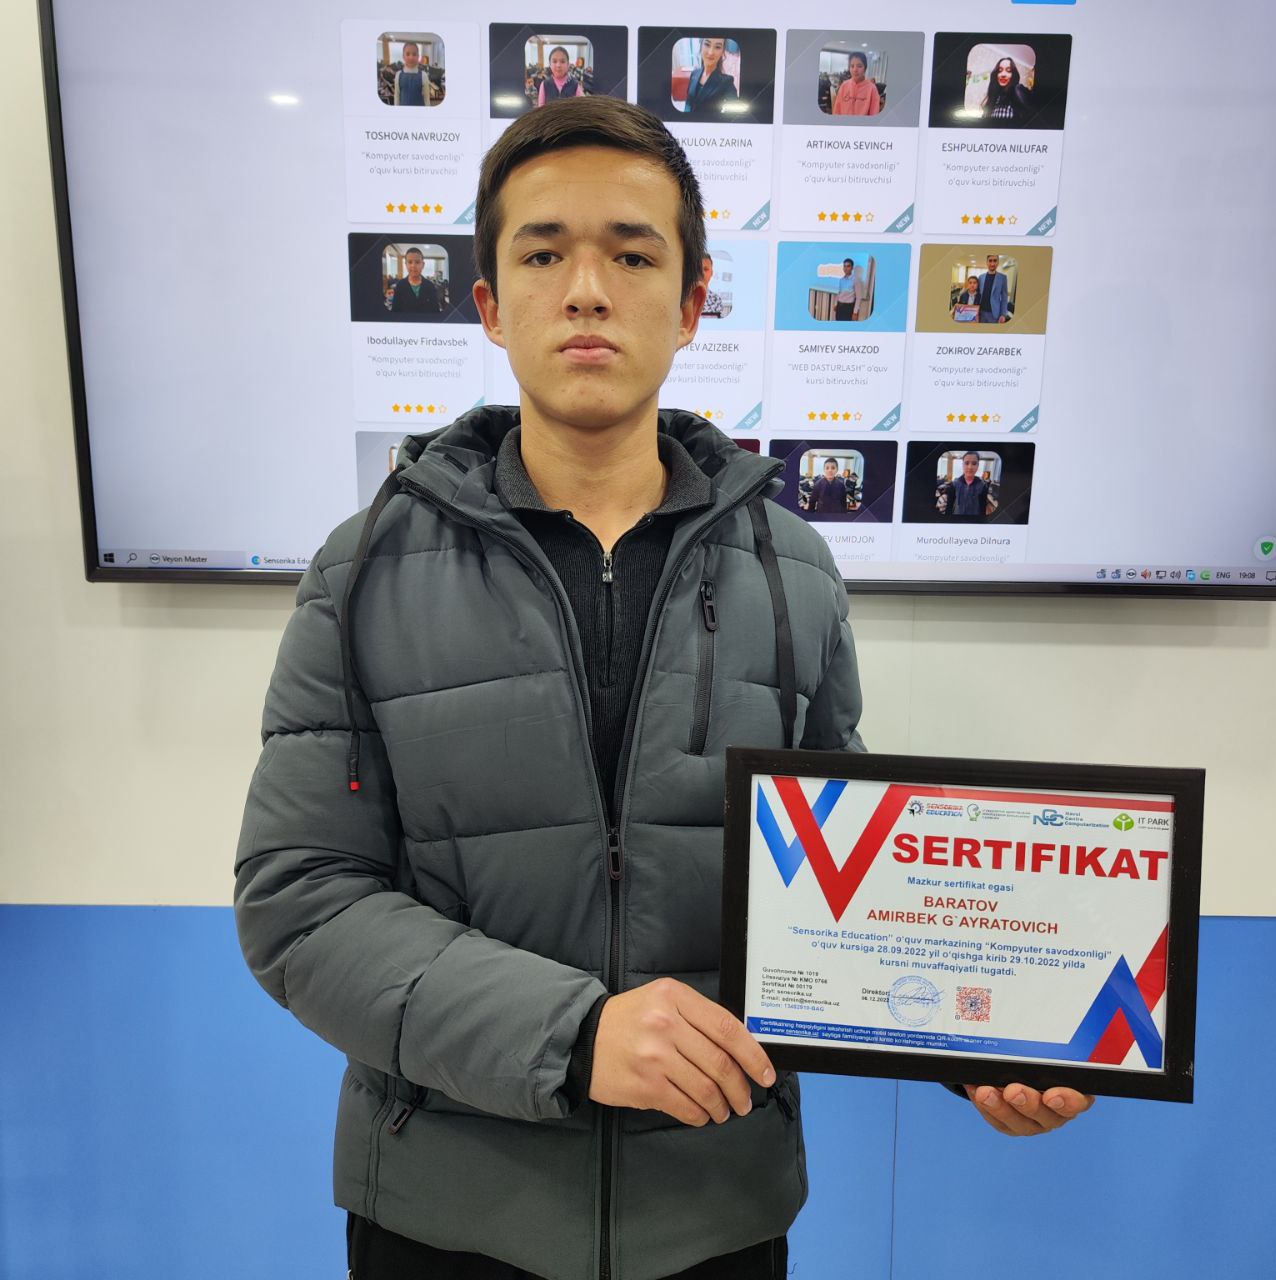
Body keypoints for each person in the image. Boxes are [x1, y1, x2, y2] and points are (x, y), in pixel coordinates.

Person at [234, 96, 1093, 1280]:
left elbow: (840, 877)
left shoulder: (792, 569)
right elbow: (302, 900)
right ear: (489, 304)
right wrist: (573, 1033)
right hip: (444, 1213)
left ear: (691, 303)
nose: (587, 290)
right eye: (543, 253)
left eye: (632, 255)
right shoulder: (364, 568)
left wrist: (975, 1032)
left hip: (716, 1211)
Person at [683, 37, 738, 115]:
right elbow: (688, 102)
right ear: (701, 46)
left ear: (722, 52)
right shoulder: (694, 73)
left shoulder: (727, 81)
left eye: (717, 47)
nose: (711, 52)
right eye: (707, 44)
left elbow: (734, 111)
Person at [389, 247, 443, 316]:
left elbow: (435, 312)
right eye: (410, 262)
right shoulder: (400, 285)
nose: (413, 266)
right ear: (406, 264)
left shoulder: (430, 286)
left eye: (417, 262)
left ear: (422, 265)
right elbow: (395, 311)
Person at [982, 55, 1033, 125]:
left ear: (1013, 74)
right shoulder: (993, 97)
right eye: (999, 70)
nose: (1003, 74)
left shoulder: (1017, 90)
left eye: (1008, 70)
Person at [830, 51, 881, 117]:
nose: (855, 70)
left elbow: (874, 115)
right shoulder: (844, 86)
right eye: (852, 66)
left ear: (865, 68)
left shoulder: (872, 89)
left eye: (859, 66)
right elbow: (837, 110)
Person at [944, 451, 991, 517]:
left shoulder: (983, 486)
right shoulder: (954, 485)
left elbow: (982, 509)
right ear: (963, 465)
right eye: (966, 463)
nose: (970, 467)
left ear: (978, 465)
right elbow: (949, 507)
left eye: (974, 463)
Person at [392, 41, 432, 107]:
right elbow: (396, 97)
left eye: (414, 54)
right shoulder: (398, 75)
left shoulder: (423, 75)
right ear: (403, 56)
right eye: (408, 54)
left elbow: (427, 99)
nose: (411, 57)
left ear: (418, 56)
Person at [977, 253, 1010, 323]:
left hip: (994, 314)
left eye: (995, 261)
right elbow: (976, 293)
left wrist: (1003, 314)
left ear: (998, 263)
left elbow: (1004, 298)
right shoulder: (980, 277)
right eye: (990, 261)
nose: (992, 264)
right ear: (987, 262)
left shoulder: (1003, 278)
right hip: (980, 312)